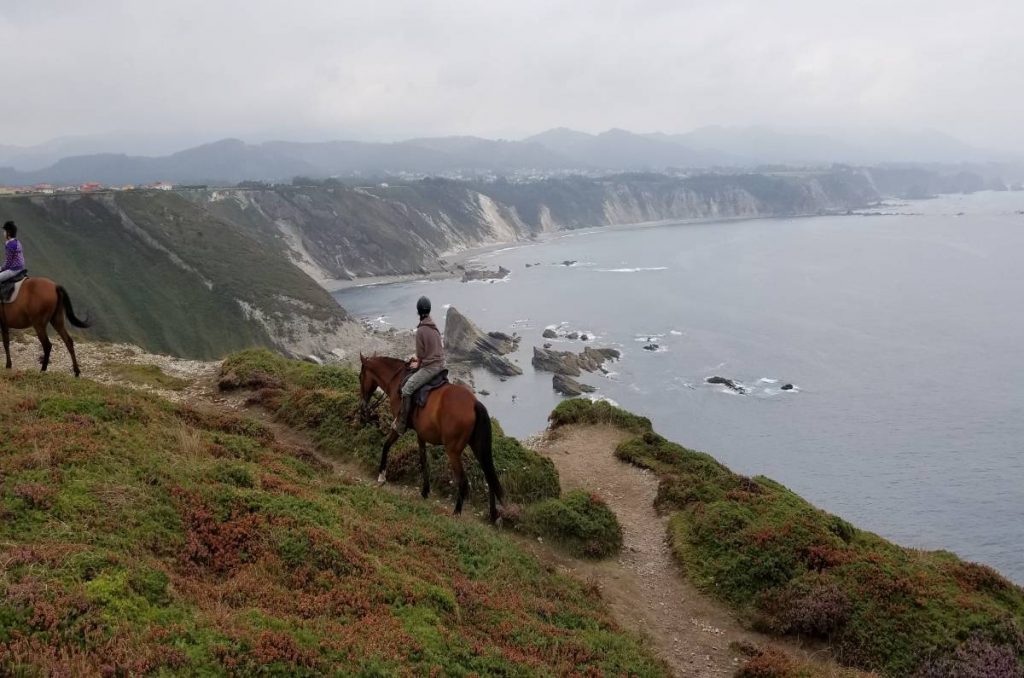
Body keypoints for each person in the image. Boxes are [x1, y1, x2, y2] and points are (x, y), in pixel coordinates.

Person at [393, 295, 446, 434]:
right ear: (429, 310)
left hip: (430, 368)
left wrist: (418, 364)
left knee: (407, 389)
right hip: (441, 365)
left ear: (418, 311)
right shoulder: (434, 327)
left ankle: (401, 424)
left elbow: (421, 357)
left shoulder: (421, 330)